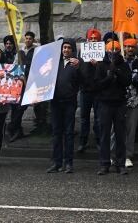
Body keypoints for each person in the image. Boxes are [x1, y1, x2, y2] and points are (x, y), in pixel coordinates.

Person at [95, 40, 132, 175]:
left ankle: (120, 164)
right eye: (111, 50)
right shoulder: (101, 65)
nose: (113, 52)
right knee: (104, 135)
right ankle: (104, 164)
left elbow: (128, 81)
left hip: (119, 104)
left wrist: (117, 71)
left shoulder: (123, 65)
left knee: (120, 135)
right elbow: (97, 84)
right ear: (107, 51)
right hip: (105, 103)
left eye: (116, 50)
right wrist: (108, 78)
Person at [48, 38, 82, 173]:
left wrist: (79, 68)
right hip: (56, 102)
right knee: (56, 133)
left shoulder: (77, 64)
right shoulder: (55, 63)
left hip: (69, 103)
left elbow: (82, 81)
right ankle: (57, 162)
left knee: (68, 133)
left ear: (72, 50)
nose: (66, 50)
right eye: (64, 47)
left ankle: (69, 163)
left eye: (68, 48)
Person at [78, 28, 102, 152]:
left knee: (98, 118)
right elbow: (80, 70)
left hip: (98, 91)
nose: (93, 40)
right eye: (91, 38)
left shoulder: (102, 55)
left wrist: (98, 65)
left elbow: (105, 72)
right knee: (84, 118)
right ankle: (83, 141)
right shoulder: (81, 53)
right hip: (85, 90)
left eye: (95, 39)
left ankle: (98, 141)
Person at [122, 37, 138, 168]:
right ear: (124, 47)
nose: (130, 49)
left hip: (134, 101)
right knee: (117, 129)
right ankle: (115, 154)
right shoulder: (118, 62)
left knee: (131, 129)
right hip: (119, 100)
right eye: (127, 46)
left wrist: (133, 80)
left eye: (132, 47)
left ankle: (128, 155)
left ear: (135, 49)